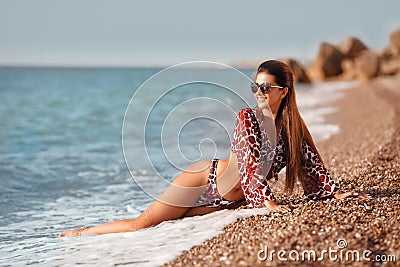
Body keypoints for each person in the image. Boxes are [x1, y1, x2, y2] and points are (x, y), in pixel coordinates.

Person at [59, 60, 369, 237]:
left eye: (266, 87)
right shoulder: (247, 119)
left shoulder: (293, 131)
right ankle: (81, 234)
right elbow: (249, 168)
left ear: (283, 91)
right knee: (142, 225)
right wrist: (269, 205)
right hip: (202, 180)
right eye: (255, 86)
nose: (259, 92)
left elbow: (312, 167)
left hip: (231, 200)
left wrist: (334, 193)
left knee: (174, 223)